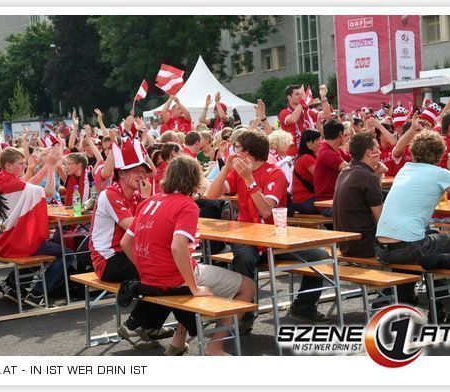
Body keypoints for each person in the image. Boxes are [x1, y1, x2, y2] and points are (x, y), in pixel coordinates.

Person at [121, 156, 255, 356]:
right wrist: (194, 287)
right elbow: (178, 246)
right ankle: (215, 347)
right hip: (172, 280)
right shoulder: (187, 205)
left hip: (148, 279)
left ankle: (178, 341)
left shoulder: (149, 202)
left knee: (193, 274)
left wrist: (147, 269)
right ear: (194, 179)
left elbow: (125, 242)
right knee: (248, 286)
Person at [205, 130, 330, 328]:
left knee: (320, 254)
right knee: (244, 258)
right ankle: (243, 316)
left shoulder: (275, 173)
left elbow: (265, 211)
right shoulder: (237, 172)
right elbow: (210, 196)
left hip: (276, 239)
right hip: (248, 238)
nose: (233, 152)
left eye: (236, 148)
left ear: (248, 153)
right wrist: (225, 169)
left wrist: (249, 180)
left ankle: (304, 306)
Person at [375, 131, 450, 323]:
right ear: (439, 154)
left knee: (435, 239)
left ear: (413, 152)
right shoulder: (440, 174)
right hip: (409, 247)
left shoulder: (406, 169)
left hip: (383, 249)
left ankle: (440, 303)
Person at [89, 137, 173, 349]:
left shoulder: (135, 195)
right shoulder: (110, 195)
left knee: (172, 271)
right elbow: (139, 229)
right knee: (163, 273)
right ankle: (134, 325)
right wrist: (147, 200)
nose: (142, 175)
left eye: (143, 170)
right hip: (108, 260)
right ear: (122, 173)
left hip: (129, 252)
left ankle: (149, 325)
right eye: (136, 170)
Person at [0, 147, 73, 307]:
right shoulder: (13, 182)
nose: (23, 166)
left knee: (48, 249)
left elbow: (27, 185)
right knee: (66, 254)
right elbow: (49, 192)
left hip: (5, 239)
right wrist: (50, 166)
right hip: (17, 241)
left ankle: (12, 284)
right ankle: (38, 293)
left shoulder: (0, 179)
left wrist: (40, 168)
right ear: (8, 166)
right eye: (20, 164)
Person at [333, 132, 386, 258]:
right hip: (365, 246)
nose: (379, 152)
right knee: (409, 246)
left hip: (346, 244)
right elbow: (382, 220)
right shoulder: (367, 177)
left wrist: (377, 175)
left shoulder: (345, 173)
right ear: (368, 152)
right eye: (377, 148)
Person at [313, 120, 350, 217]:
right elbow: (351, 170)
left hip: (335, 200)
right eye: (345, 135)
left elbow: (355, 161)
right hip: (328, 204)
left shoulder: (335, 150)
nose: (347, 138)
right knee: (364, 209)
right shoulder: (327, 152)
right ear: (340, 134)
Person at [292, 130, 322, 214]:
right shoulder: (307, 158)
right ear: (307, 143)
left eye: (320, 139)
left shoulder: (306, 157)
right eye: (317, 140)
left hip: (302, 201)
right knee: (337, 206)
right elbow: (321, 176)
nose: (320, 142)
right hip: (305, 201)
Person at [278, 84, 312, 157]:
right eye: (297, 94)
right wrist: (302, 102)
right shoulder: (284, 112)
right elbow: (293, 119)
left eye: (301, 94)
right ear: (289, 97)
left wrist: (324, 97)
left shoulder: (304, 110)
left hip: (306, 151)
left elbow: (326, 115)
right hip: (292, 154)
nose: (300, 96)